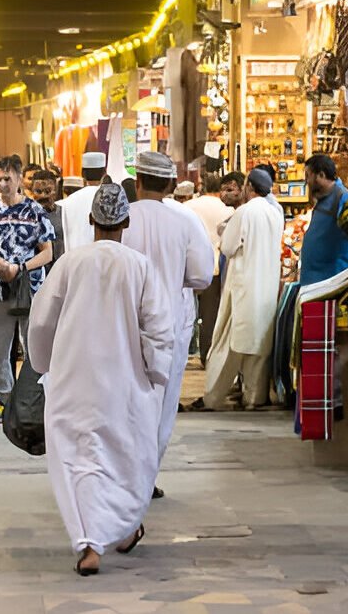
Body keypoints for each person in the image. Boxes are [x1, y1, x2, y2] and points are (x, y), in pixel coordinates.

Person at [28, 183, 174, 576]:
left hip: (74, 380)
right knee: (125, 456)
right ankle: (123, 529)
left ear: (91, 221)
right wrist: (154, 376)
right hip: (125, 383)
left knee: (78, 459)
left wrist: (43, 365)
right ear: (126, 222)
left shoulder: (69, 264)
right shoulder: (140, 266)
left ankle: (91, 543)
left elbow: (41, 322)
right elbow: (160, 330)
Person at [122, 152, 214, 490]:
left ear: (139, 182)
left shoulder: (122, 218)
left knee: (126, 397)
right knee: (162, 401)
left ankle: (124, 473)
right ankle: (146, 478)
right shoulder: (185, 221)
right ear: (171, 185)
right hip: (170, 324)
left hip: (125, 322)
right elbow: (203, 276)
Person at [0, 155, 54, 421]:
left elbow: (47, 252)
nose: (3, 184)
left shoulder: (33, 211)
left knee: (33, 349)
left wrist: (21, 267)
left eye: (8, 179)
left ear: (19, 178)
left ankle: (32, 402)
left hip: (28, 289)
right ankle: (6, 400)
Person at [202, 169, 285, 410]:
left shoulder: (245, 212)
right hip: (267, 287)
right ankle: (254, 398)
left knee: (227, 344)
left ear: (250, 188)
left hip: (242, 285)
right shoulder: (275, 212)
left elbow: (228, 247)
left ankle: (213, 397)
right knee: (258, 346)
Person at [185, 173, 235, 363]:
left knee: (187, 311)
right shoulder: (227, 209)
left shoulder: (189, 206)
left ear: (202, 187)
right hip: (215, 266)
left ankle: (186, 349)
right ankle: (207, 354)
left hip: (191, 264)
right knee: (210, 314)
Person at [301, 154, 348, 286]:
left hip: (329, 281)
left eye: (308, 175)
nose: (306, 181)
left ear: (321, 175)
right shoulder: (323, 197)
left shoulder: (342, 197)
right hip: (314, 280)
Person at [57, 151, 107, 252]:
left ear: (82, 173)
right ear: (104, 173)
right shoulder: (109, 199)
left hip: (73, 260)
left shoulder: (66, 203)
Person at [31, 169, 64, 268]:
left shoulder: (64, 213)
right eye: (38, 191)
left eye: (48, 191)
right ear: (32, 190)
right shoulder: (25, 215)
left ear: (55, 190)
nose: (43, 196)